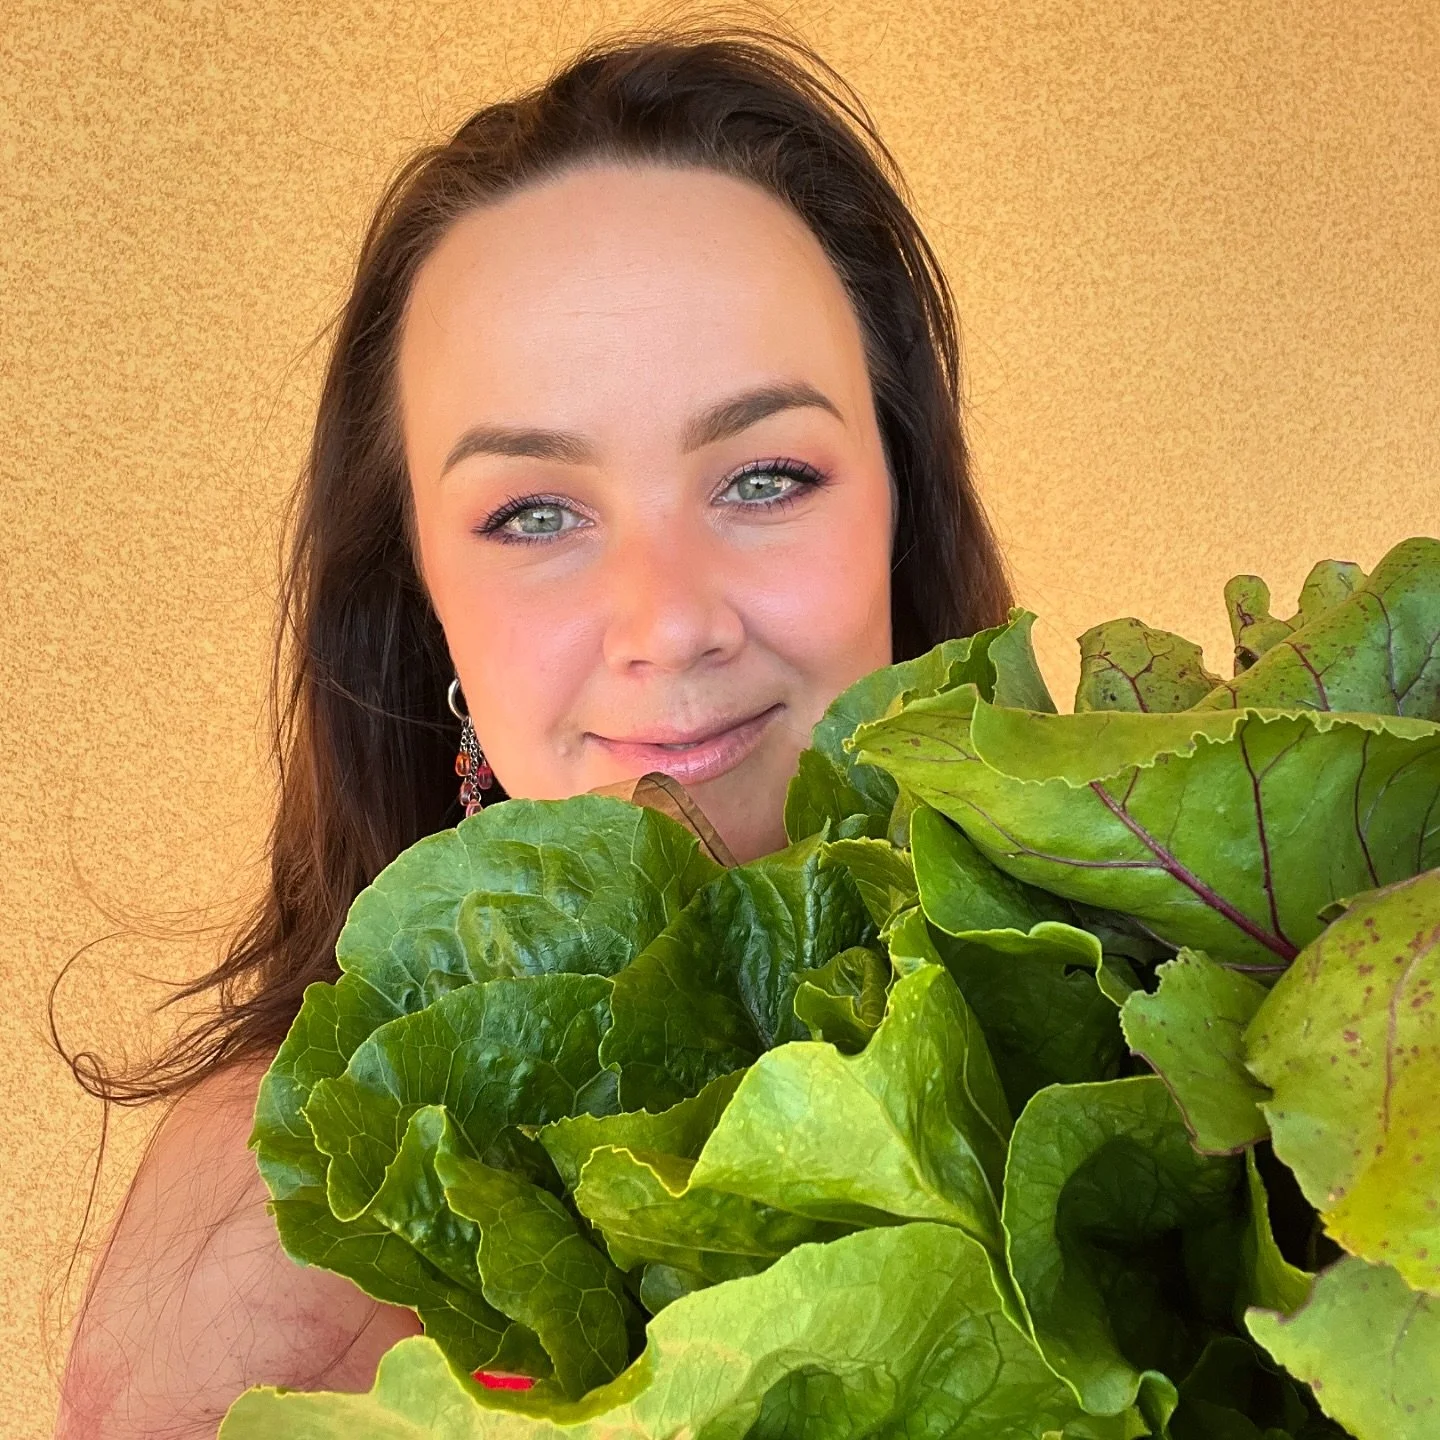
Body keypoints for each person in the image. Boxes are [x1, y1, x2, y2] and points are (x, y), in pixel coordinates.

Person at [53, 19, 1011, 1437]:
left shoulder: (1158, 1025)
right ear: (424, 598)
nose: (668, 619)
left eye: (764, 476)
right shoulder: (288, 1217)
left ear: (898, 512)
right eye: (534, 513)